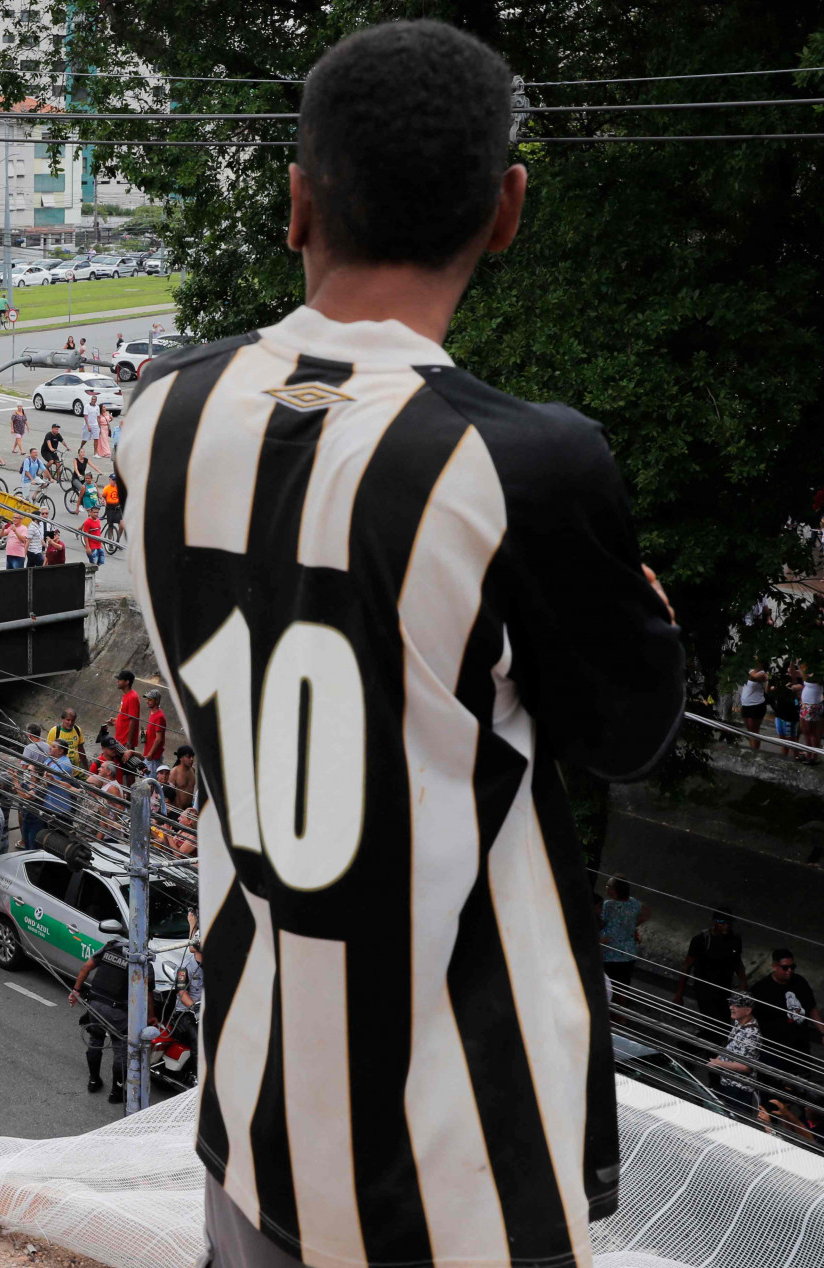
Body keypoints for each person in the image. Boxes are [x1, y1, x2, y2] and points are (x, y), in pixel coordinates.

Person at [119, 23, 686, 1267]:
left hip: (253, 1128)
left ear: (295, 204)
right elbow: (627, 730)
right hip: (469, 1171)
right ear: (506, 212)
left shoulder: (157, 411)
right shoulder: (524, 462)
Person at [68, 927, 136, 1104]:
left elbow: (86, 967)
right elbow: (147, 994)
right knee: (121, 1048)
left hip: (95, 1006)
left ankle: (93, 1081)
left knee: (95, 1040)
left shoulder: (110, 948)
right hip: (118, 1012)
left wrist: (76, 990)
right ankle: (116, 1092)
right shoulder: (140, 958)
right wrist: (150, 1017)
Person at [749, 948, 824, 1070]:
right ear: (774, 966)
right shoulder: (761, 989)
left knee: (802, 1076)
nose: (789, 971)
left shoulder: (799, 982)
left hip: (800, 1044)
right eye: (785, 967)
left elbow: (812, 1008)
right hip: (775, 1047)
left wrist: (823, 1033)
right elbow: (750, 1017)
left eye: (792, 967)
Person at [673, 911, 749, 1027]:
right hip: (705, 988)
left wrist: (743, 983)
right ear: (715, 922)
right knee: (713, 1023)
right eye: (721, 922)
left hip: (724, 988)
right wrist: (679, 994)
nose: (725, 926)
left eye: (728, 923)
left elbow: (737, 962)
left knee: (724, 1023)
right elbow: (687, 966)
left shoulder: (735, 939)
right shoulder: (701, 940)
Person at [708, 995, 762, 1116]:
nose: (731, 1007)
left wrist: (718, 1063)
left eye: (737, 1005)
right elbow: (730, 1046)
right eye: (731, 1004)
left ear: (748, 1010)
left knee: (737, 1121)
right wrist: (718, 1059)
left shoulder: (751, 1034)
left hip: (739, 1088)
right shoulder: (739, 1022)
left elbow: (745, 1067)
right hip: (729, 1083)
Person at [599, 876, 650, 987]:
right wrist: (632, 926)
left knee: (606, 985)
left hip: (610, 953)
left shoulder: (608, 905)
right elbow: (647, 913)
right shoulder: (634, 903)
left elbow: (600, 923)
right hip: (628, 954)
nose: (606, 887)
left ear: (614, 890)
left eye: (608, 886)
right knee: (623, 985)